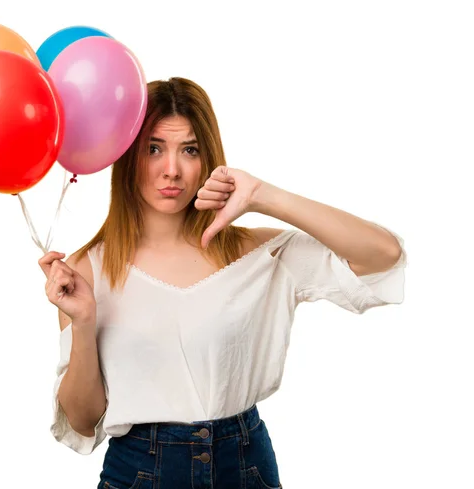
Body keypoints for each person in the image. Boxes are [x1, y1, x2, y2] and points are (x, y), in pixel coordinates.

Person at [38, 77, 407, 489]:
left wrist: (263, 195)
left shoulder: (260, 255)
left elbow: (383, 255)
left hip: (244, 468)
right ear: (128, 155)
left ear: (208, 158)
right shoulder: (86, 271)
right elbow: (83, 419)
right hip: (140, 473)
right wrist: (85, 321)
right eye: (153, 148)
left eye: (189, 150)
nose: (172, 170)